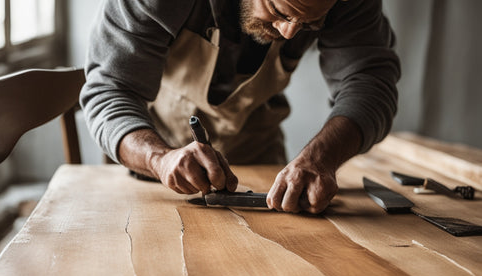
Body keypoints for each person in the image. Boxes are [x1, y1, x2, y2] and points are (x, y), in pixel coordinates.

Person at [81, 0, 400, 213]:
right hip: (154, 169)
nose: (289, 32)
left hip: (263, 164)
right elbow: (110, 90)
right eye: (280, 9)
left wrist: (321, 158)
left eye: (310, 22)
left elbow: (369, 82)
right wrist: (160, 159)